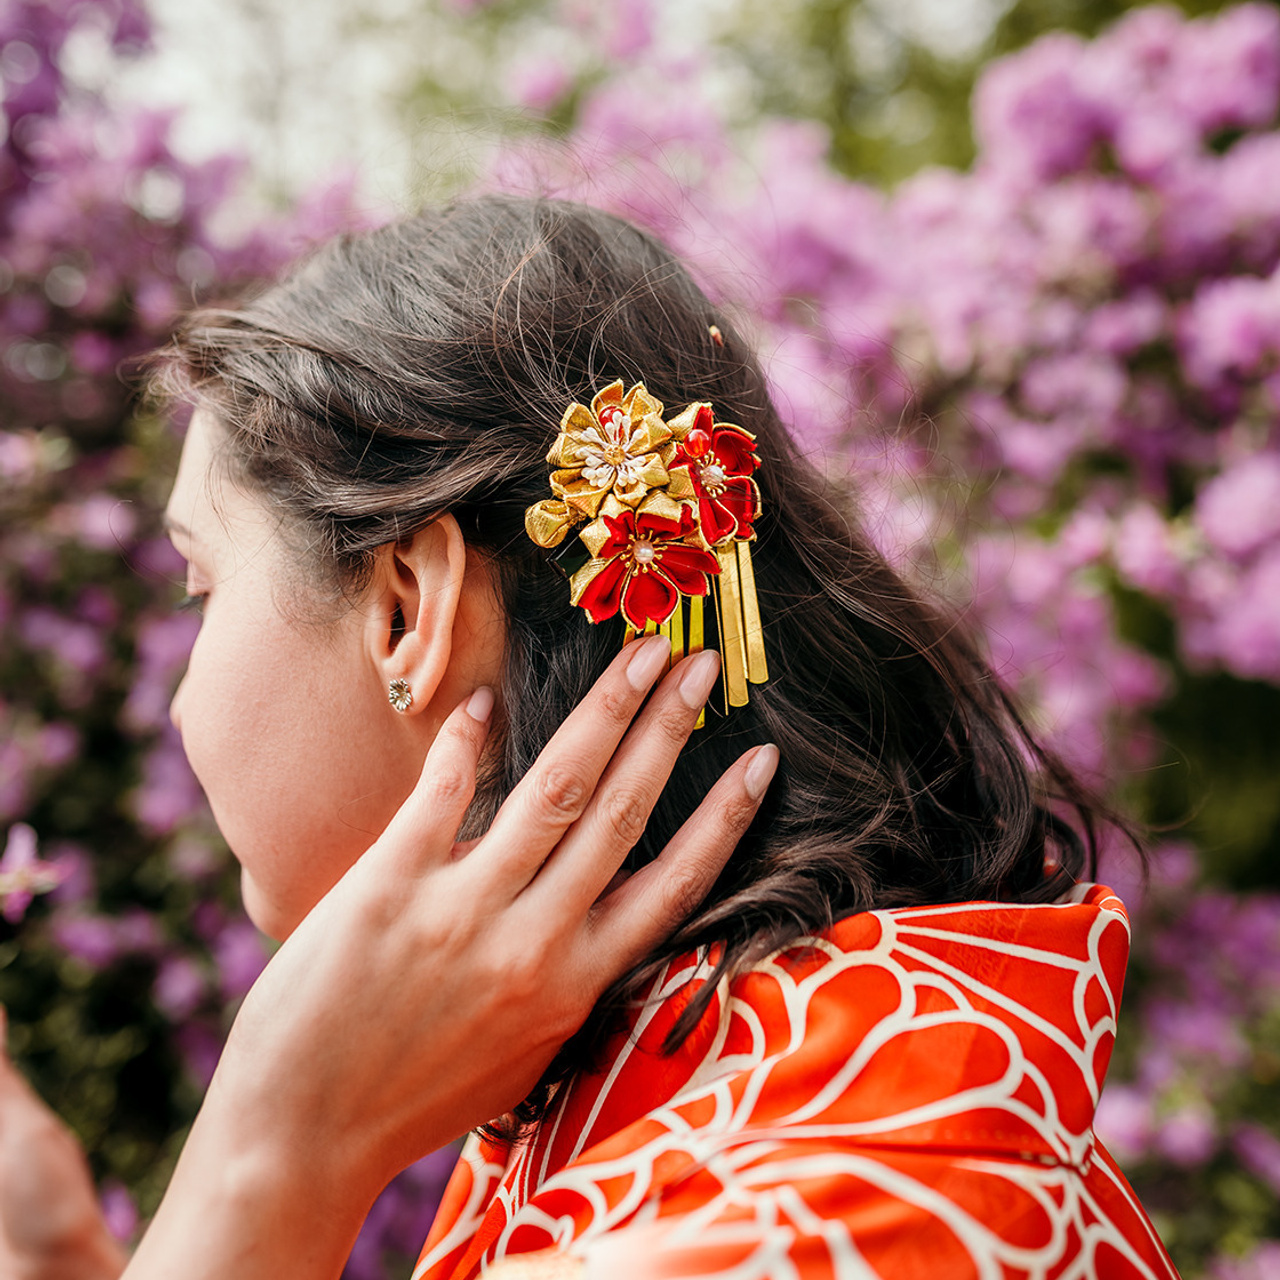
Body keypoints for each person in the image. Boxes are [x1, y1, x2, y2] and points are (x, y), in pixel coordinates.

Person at [0, 195, 1180, 1280]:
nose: (177, 698)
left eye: (198, 584)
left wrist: (269, 1153)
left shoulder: (805, 1212)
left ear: (406, 607)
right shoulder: (827, 1081)